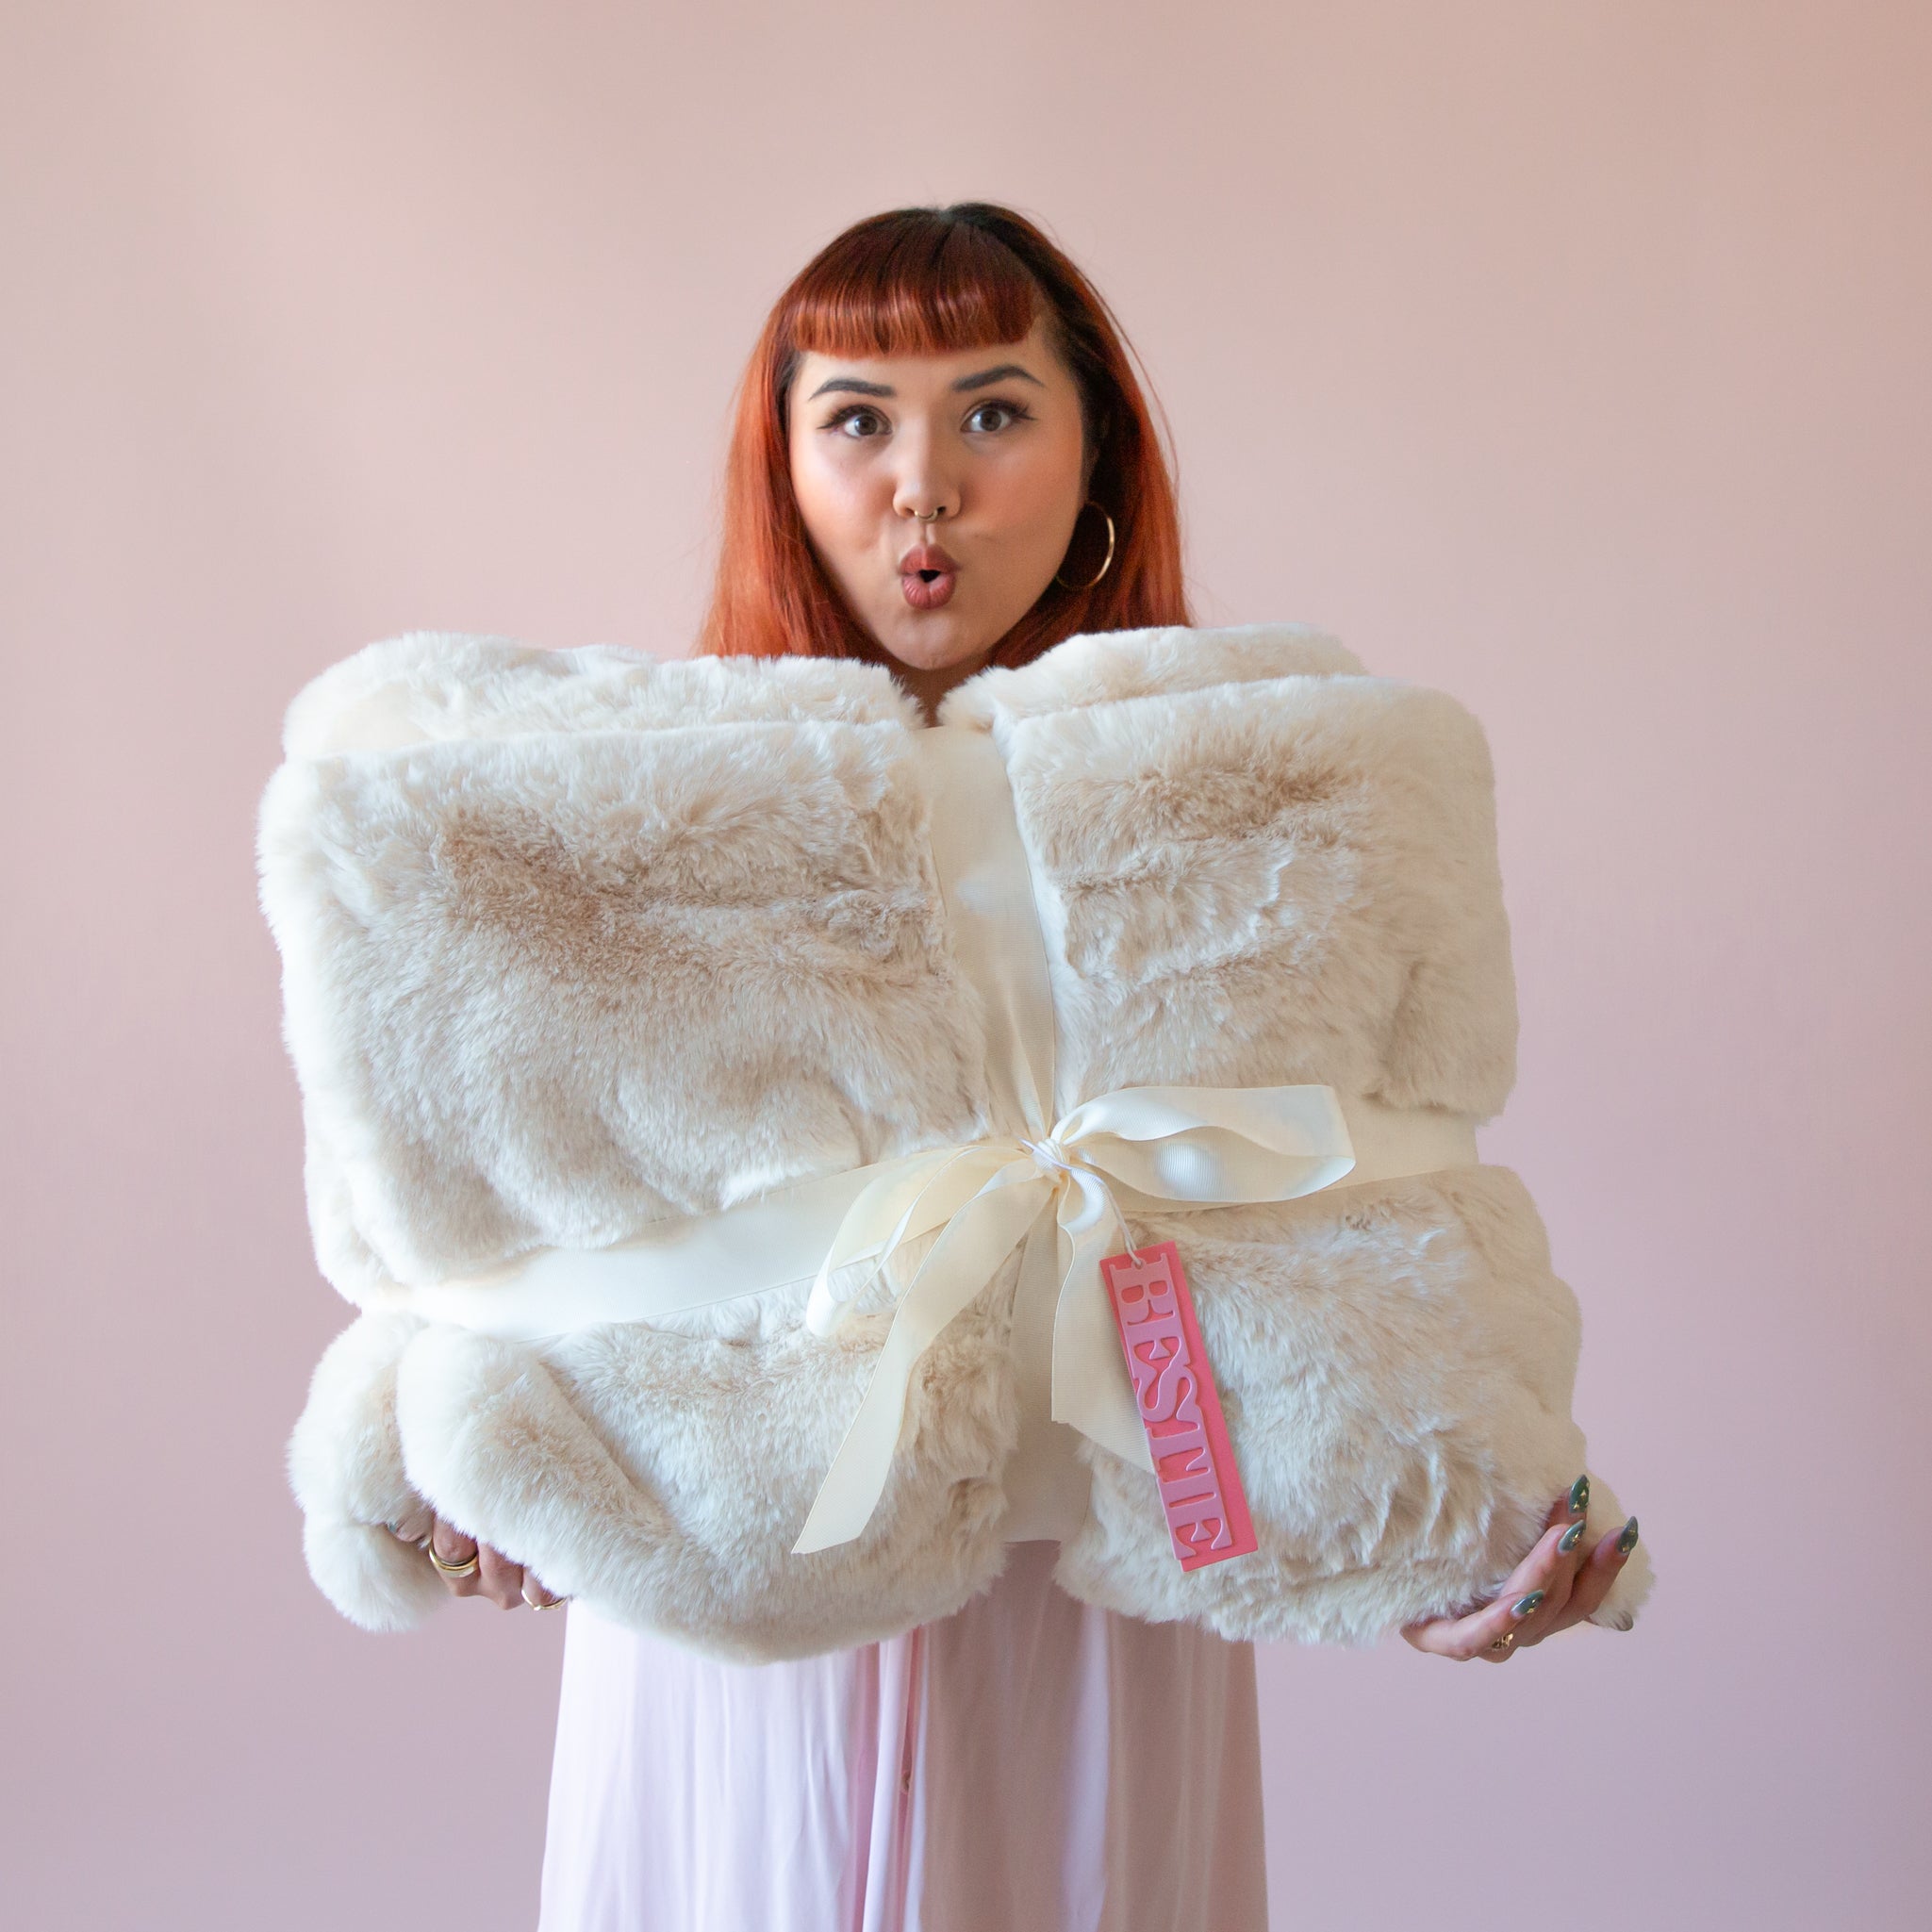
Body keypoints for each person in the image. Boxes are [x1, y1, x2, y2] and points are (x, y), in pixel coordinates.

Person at [385, 203, 1643, 1931]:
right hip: (749, 1596)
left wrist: (1428, 1539)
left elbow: (1361, 1214)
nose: (923, 483)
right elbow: (503, 1187)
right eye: (856, 419)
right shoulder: (622, 823)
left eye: (990, 411)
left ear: (1094, 454)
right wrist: (484, 1453)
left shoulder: (1257, 818)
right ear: (784, 462)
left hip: (1092, 1612)